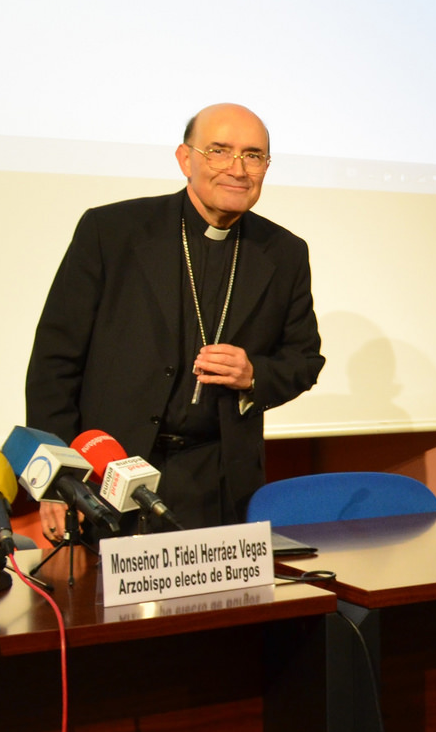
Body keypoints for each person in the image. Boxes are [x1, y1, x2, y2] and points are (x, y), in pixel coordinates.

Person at [26, 103, 325, 532]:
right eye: (219, 151)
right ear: (186, 159)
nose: (238, 169)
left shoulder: (284, 252)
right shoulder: (111, 231)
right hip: (107, 474)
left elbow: (304, 360)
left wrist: (253, 375)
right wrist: (59, 480)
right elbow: (54, 362)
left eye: (253, 155)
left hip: (219, 483)